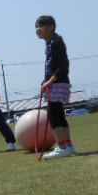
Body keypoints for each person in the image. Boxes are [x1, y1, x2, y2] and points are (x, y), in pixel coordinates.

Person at [35, 15, 77, 159]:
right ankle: (68, 146)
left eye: (40, 26)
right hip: (56, 83)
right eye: (36, 26)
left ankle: (62, 147)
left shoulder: (56, 42)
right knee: (59, 114)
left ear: (51, 27)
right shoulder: (51, 43)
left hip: (57, 83)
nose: (37, 30)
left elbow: (63, 66)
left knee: (53, 116)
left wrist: (49, 82)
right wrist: (45, 81)